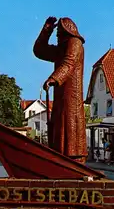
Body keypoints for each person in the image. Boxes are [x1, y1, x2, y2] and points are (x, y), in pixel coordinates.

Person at [34, 16, 88, 163]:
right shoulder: (61, 48)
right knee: (60, 121)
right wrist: (46, 30)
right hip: (61, 91)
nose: (57, 34)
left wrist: (54, 78)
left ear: (67, 30)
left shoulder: (75, 43)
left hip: (71, 93)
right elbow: (39, 51)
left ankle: (74, 156)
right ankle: (61, 155)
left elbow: (69, 63)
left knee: (70, 119)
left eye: (58, 31)